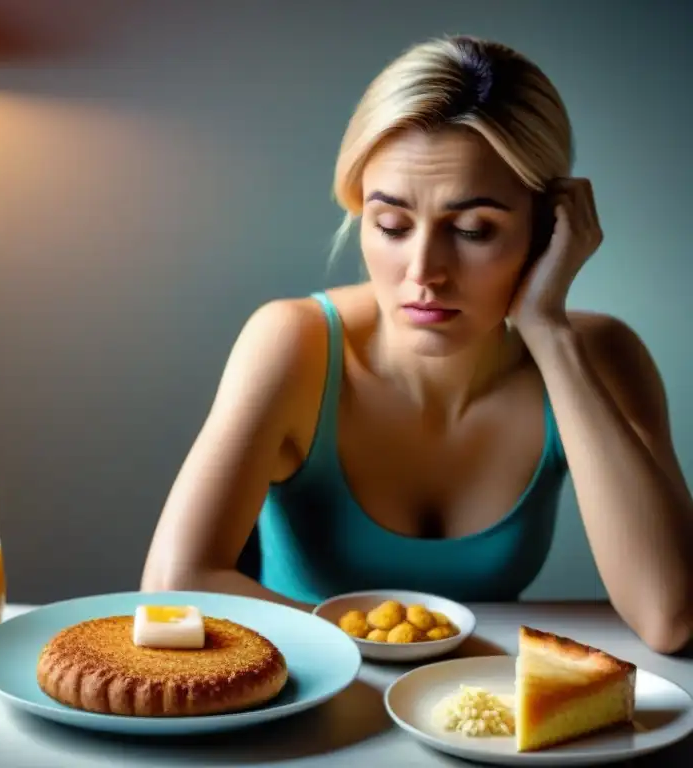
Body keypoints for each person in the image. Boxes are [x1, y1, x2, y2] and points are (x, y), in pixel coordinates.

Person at [140, 35, 693, 654]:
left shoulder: (600, 356)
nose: (424, 271)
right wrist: (393, 645)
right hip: (303, 709)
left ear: (547, 230)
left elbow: (670, 616)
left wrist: (548, 331)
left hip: (480, 717)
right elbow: (172, 586)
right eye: (393, 225)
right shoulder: (292, 344)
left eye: (473, 229)